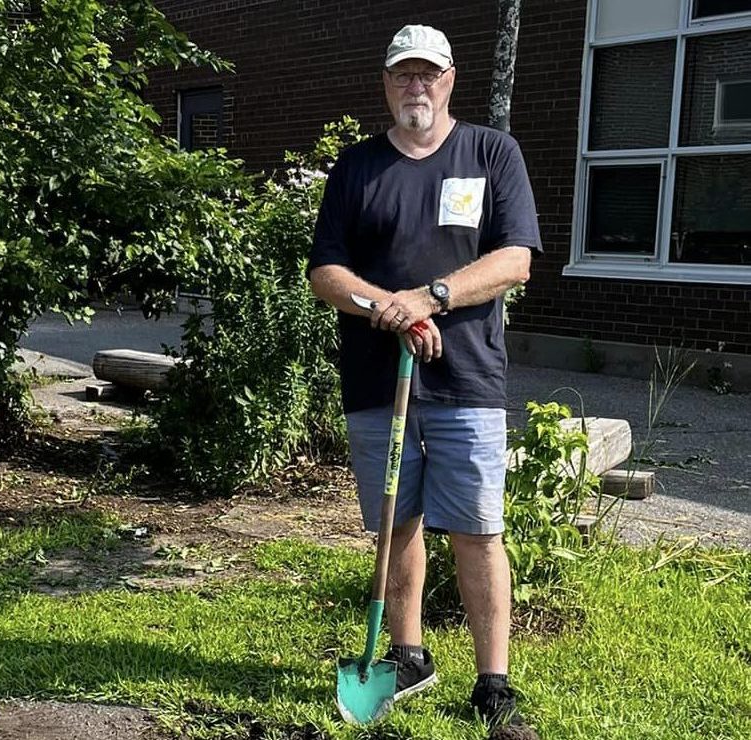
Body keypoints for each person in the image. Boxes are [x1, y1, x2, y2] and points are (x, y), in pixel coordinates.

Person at [307, 24, 542, 736]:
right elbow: (325, 273)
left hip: (466, 380)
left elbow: (515, 260)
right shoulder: (356, 167)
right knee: (394, 524)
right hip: (378, 380)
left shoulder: (489, 153)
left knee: (476, 529)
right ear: (386, 83)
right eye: (402, 75)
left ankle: (492, 683)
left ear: (449, 80)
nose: (416, 86)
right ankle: (407, 657)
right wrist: (388, 307)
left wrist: (431, 296)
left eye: (427, 74)